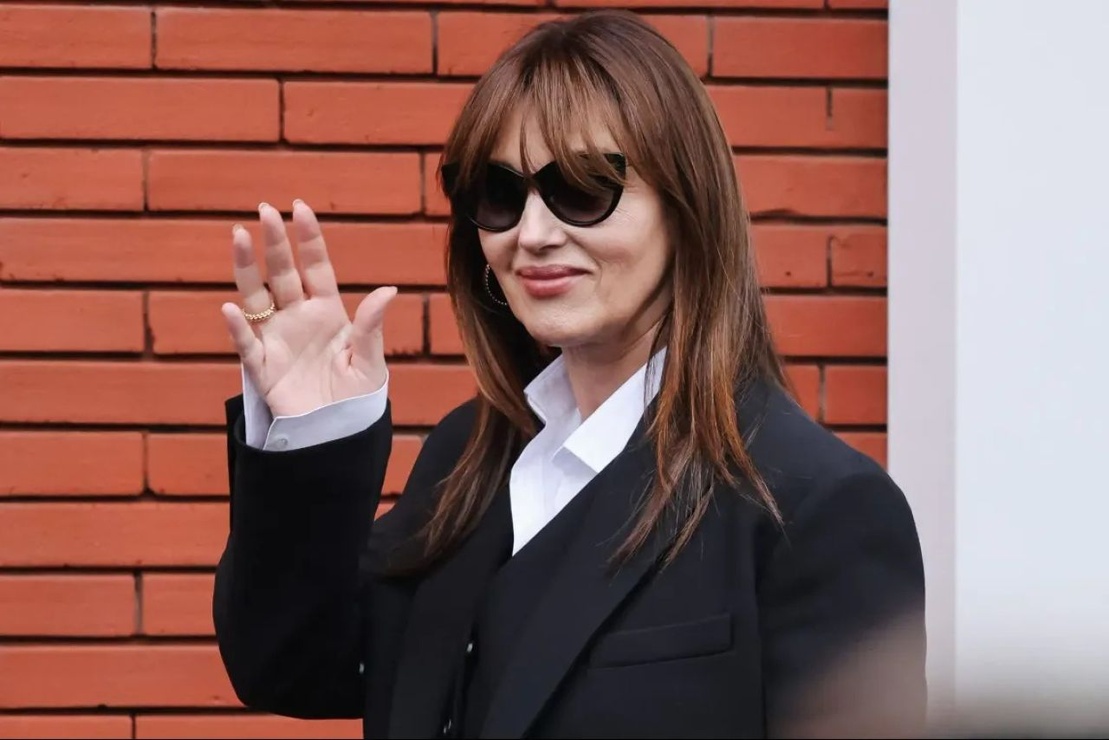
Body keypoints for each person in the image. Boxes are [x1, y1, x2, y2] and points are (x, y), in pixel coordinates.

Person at [212, 10, 926, 739]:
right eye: (499, 193)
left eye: (583, 188)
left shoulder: (812, 506)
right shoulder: (467, 458)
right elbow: (293, 665)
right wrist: (315, 433)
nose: (533, 234)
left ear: (686, 209)